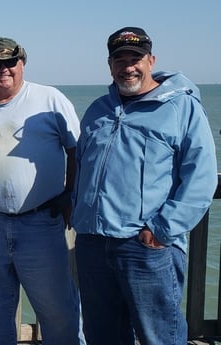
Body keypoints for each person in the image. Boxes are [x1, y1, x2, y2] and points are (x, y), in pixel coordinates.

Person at [71, 27, 217, 344]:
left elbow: (201, 177)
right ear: (109, 64)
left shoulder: (182, 108)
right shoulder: (98, 110)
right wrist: (77, 215)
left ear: (151, 60)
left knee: (159, 336)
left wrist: (162, 230)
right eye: (119, 59)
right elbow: (81, 166)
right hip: (93, 244)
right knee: (102, 335)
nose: (128, 66)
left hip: (145, 247)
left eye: (135, 58)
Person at [0, 37, 83, 344]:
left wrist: (71, 194)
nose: (3, 69)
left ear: (22, 64)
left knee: (57, 310)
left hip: (41, 224)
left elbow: (77, 152)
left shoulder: (50, 99)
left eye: (9, 63)